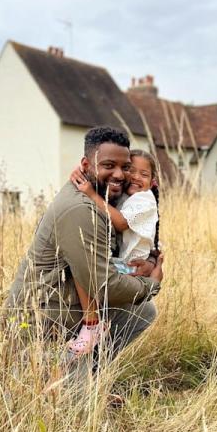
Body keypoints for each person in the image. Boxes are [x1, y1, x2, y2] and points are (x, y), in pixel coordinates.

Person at [4, 126, 164, 362]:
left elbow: (142, 229)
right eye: (109, 166)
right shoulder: (81, 209)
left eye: (125, 167)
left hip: (73, 304)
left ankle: (94, 373)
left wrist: (151, 260)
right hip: (41, 321)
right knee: (71, 400)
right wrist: (151, 284)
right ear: (86, 165)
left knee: (142, 311)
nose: (120, 174)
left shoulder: (105, 193)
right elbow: (104, 286)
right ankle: (71, 375)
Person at [65, 149, 161, 354]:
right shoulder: (127, 195)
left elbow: (120, 222)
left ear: (153, 181)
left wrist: (90, 193)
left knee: (82, 268)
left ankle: (92, 325)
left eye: (143, 175)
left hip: (129, 267)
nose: (135, 177)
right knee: (86, 266)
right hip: (125, 263)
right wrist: (81, 171)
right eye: (130, 170)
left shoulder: (144, 199)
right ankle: (98, 345)